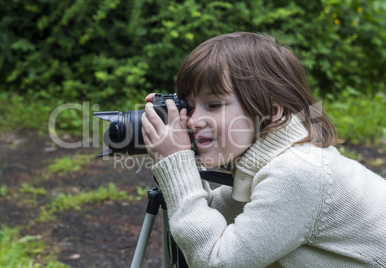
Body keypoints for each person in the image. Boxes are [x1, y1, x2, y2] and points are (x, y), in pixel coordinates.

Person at [140, 32, 386, 267]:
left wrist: (176, 162)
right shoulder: (272, 162)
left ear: (271, 111)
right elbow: (211, 215)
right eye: (190, 108)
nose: (192, 122)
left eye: (213, 104)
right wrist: (179, 165)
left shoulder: (297, 173)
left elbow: (215, 261)